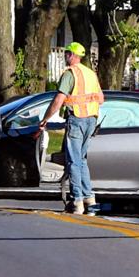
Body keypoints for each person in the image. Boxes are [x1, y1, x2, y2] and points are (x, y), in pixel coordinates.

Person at [38, 42, 104, 215]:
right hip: (91, 120)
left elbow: (58, 100)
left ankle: (78, 201)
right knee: (81, 160)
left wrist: (45, 119)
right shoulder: (91, 73)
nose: (65, 56)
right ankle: (90, 198)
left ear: (73, 55)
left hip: (77, 119)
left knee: (73, 161)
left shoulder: (70, 73)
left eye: (67, 53)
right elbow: (101, 98)